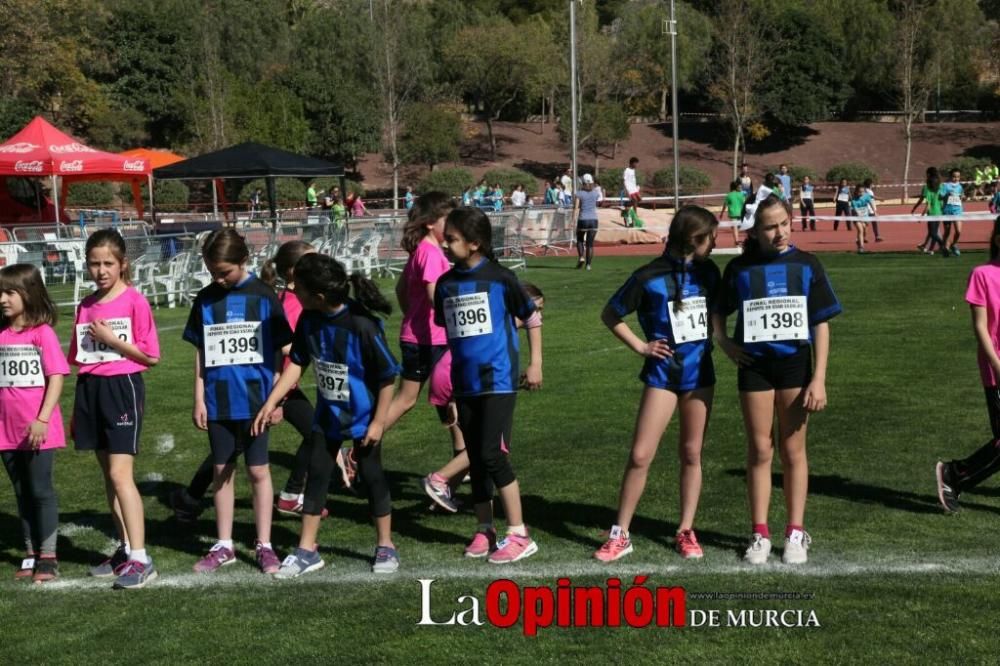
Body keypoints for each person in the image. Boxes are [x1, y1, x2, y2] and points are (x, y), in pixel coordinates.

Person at [712, 195, 841, 565]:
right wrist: (725, 344)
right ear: (755, 230)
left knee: (793, 451)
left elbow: (821, 323)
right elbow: (719, 311)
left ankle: (796, 532)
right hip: (754, 367)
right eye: (770, 226)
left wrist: (819, 378)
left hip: (795, 367)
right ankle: (760, 533)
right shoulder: (739, 268)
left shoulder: (807, 264)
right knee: (760, 450)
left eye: (784, 223)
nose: (779, 231)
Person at [252, 253, 400, 576]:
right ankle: (307, 550)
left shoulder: (362, 325)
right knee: (317, 474)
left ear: (318, 296)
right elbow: (298, 364)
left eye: (298, 289)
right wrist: (272, 401)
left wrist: (378, 422)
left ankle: (386, 545)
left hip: (364, 416)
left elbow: (388, 376)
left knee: (372, 477)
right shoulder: (308, 320)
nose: (293, 293)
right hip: (328, 415)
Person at [169, 241, 335, 523]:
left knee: (237, 447)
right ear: (293, 270)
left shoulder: (277, 296)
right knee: (242, 447)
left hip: (269, 385)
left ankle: (191, 497)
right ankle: (291, 495)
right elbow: (285, 348)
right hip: (269, 387)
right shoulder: (287, 301)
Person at [594, 207, 721, 563]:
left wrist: (722, 339)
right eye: (711, 236)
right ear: (695, 238)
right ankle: (620, 534)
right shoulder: (648, 276)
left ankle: (685, 529)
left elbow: (719, 313)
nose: (715, 242)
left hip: (700, 374)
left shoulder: (710, 272)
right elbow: (611, 313)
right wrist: (640, 346)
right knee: (640, 455)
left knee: (692, 453)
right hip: (662, 375)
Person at [433, 207, 543, 563]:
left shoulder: (501, 278)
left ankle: (519, 533)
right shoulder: (446, 285)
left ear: (475, 243)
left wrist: (535, 362)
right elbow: (452, 338)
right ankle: (484, 529)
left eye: (452, 239)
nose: (445, 245)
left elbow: (531, 316)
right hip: (464, 384)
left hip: (498, 380)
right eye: (445, 238)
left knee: (493, 455)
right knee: (477, 460)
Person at [183, 229, 293, 575]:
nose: (218, 278)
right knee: (222, 470)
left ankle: (264, 544)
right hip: (218, 398)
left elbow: (281, 352)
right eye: (213, 271)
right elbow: (202, 352)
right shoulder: (205, 299)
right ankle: (224, 544)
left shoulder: (264, 296)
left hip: (256, 399)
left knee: (258, 470)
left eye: (225, 272)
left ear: (243, 261)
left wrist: (276, 399)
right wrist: (199, 397)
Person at [70, 229, 160, 589]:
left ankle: (142, 558)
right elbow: (79, 356)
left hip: (122, 388)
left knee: (122, 475)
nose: (101, 270)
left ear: (123, 264)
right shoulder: (86, 304)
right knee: (109, 475)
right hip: (90, 389)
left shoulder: (135, 301)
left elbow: (151, 356)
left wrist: (114, 341)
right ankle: (124, 548)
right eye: (94, 263)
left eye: (108, 263)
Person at [422, 282, 545, 513]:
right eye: (535, 309)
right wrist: (456, 399)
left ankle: (441, 495)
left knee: (468, 449)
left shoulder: (497, 324)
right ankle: (439, 479)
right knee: (492, 446)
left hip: (445, 377)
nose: (538, 317)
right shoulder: (499, 328)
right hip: (456, 381)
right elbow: (477, 362)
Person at [380, 192, 466, 513]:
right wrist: (452, 325)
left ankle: (460, 452)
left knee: (446, 397)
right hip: (431, 339)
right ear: (432, 223)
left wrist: (411, 317)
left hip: (419, 335)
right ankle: (359, 449)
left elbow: (403, 290)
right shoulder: (431, 254)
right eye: (449, 220)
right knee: (410, 399)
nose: (454, 226)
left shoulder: (423, 251)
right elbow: (435, 298)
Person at [0, 264, 69, 583]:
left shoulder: (42, 333)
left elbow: (56, 377)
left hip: (38, 427)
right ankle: (30, 553)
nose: (3, 299)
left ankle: (49, 555)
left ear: (28, 294)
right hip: (6, 427)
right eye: (0, 292)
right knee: (21, 490)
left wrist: (42, 418)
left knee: (40, 489)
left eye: (10, 292)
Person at [936, 217, 1000, 513]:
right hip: (996, 367)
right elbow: (981, 328)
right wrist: (997, 365)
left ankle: (955, 474)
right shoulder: (982, 274)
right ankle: (954, 474)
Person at [913, 167, 945, 255]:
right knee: (933, 232)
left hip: (932, 213)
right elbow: (942, 200)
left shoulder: (927, 188)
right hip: (939, 213)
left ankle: (944, 244)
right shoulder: (941, 186)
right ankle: (931, 249)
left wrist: (921, 215)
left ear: (928, 175)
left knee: (932, 233)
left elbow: (928, 204)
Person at [574, 174, 601, 270]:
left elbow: (576, 207)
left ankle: (581, 257)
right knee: (590, 244)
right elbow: (599, 200)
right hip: (594, 220)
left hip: (583, 219)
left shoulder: (579, 193)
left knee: (580, 239)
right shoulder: (595, 193)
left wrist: (573, 220)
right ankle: (588, 265)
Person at [940, 168, 964, 257]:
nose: (956, 178)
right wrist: (947, 195)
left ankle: (953, 244)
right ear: (950, 177)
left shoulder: (960, 186)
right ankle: (945, 248)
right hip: (947, 211)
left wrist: (961, 197)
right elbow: (941, 196)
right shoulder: (945, 186)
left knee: (958, 231)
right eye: (954, 176)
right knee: (947, 232)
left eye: (958, 177)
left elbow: (961, 197)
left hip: (957, 211)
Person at [850, 184, 874, 254]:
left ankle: (859, 241)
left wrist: (874, 211)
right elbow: (855, 210)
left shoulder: (866, 196)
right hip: (856, 216)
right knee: (860, 230)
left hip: (865, 216)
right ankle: (861, 247)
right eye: (859, 192)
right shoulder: (854, 200)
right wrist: (859, 215)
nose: (861, 193)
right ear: (856, 192)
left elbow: (871, 202)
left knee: (864, 231)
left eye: (862, 192)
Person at [721, 180, 746, 245]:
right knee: (737, 227)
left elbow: (724, 205)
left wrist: (722, 213)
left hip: (732, 213)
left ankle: (736, 240)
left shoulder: (729, 195)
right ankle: (737, 240)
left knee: (735, 227)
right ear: (736, 187)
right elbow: (744, 204)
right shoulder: (741, 195)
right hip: (740, 213)